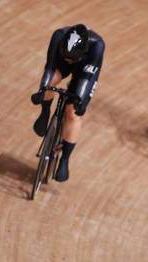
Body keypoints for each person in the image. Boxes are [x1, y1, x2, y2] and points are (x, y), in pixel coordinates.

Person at [31, 24, 105, 182]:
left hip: (84, 70)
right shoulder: (58, 35)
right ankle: (45, 113)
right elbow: (50, 68)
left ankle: (64, 160)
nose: (68, 60)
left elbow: (87, 80)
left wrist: (81, 103)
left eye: (70, 58)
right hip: (61, 65)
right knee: (51, 81)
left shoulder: (96, 46)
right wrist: (42, 91)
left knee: (73, 112)